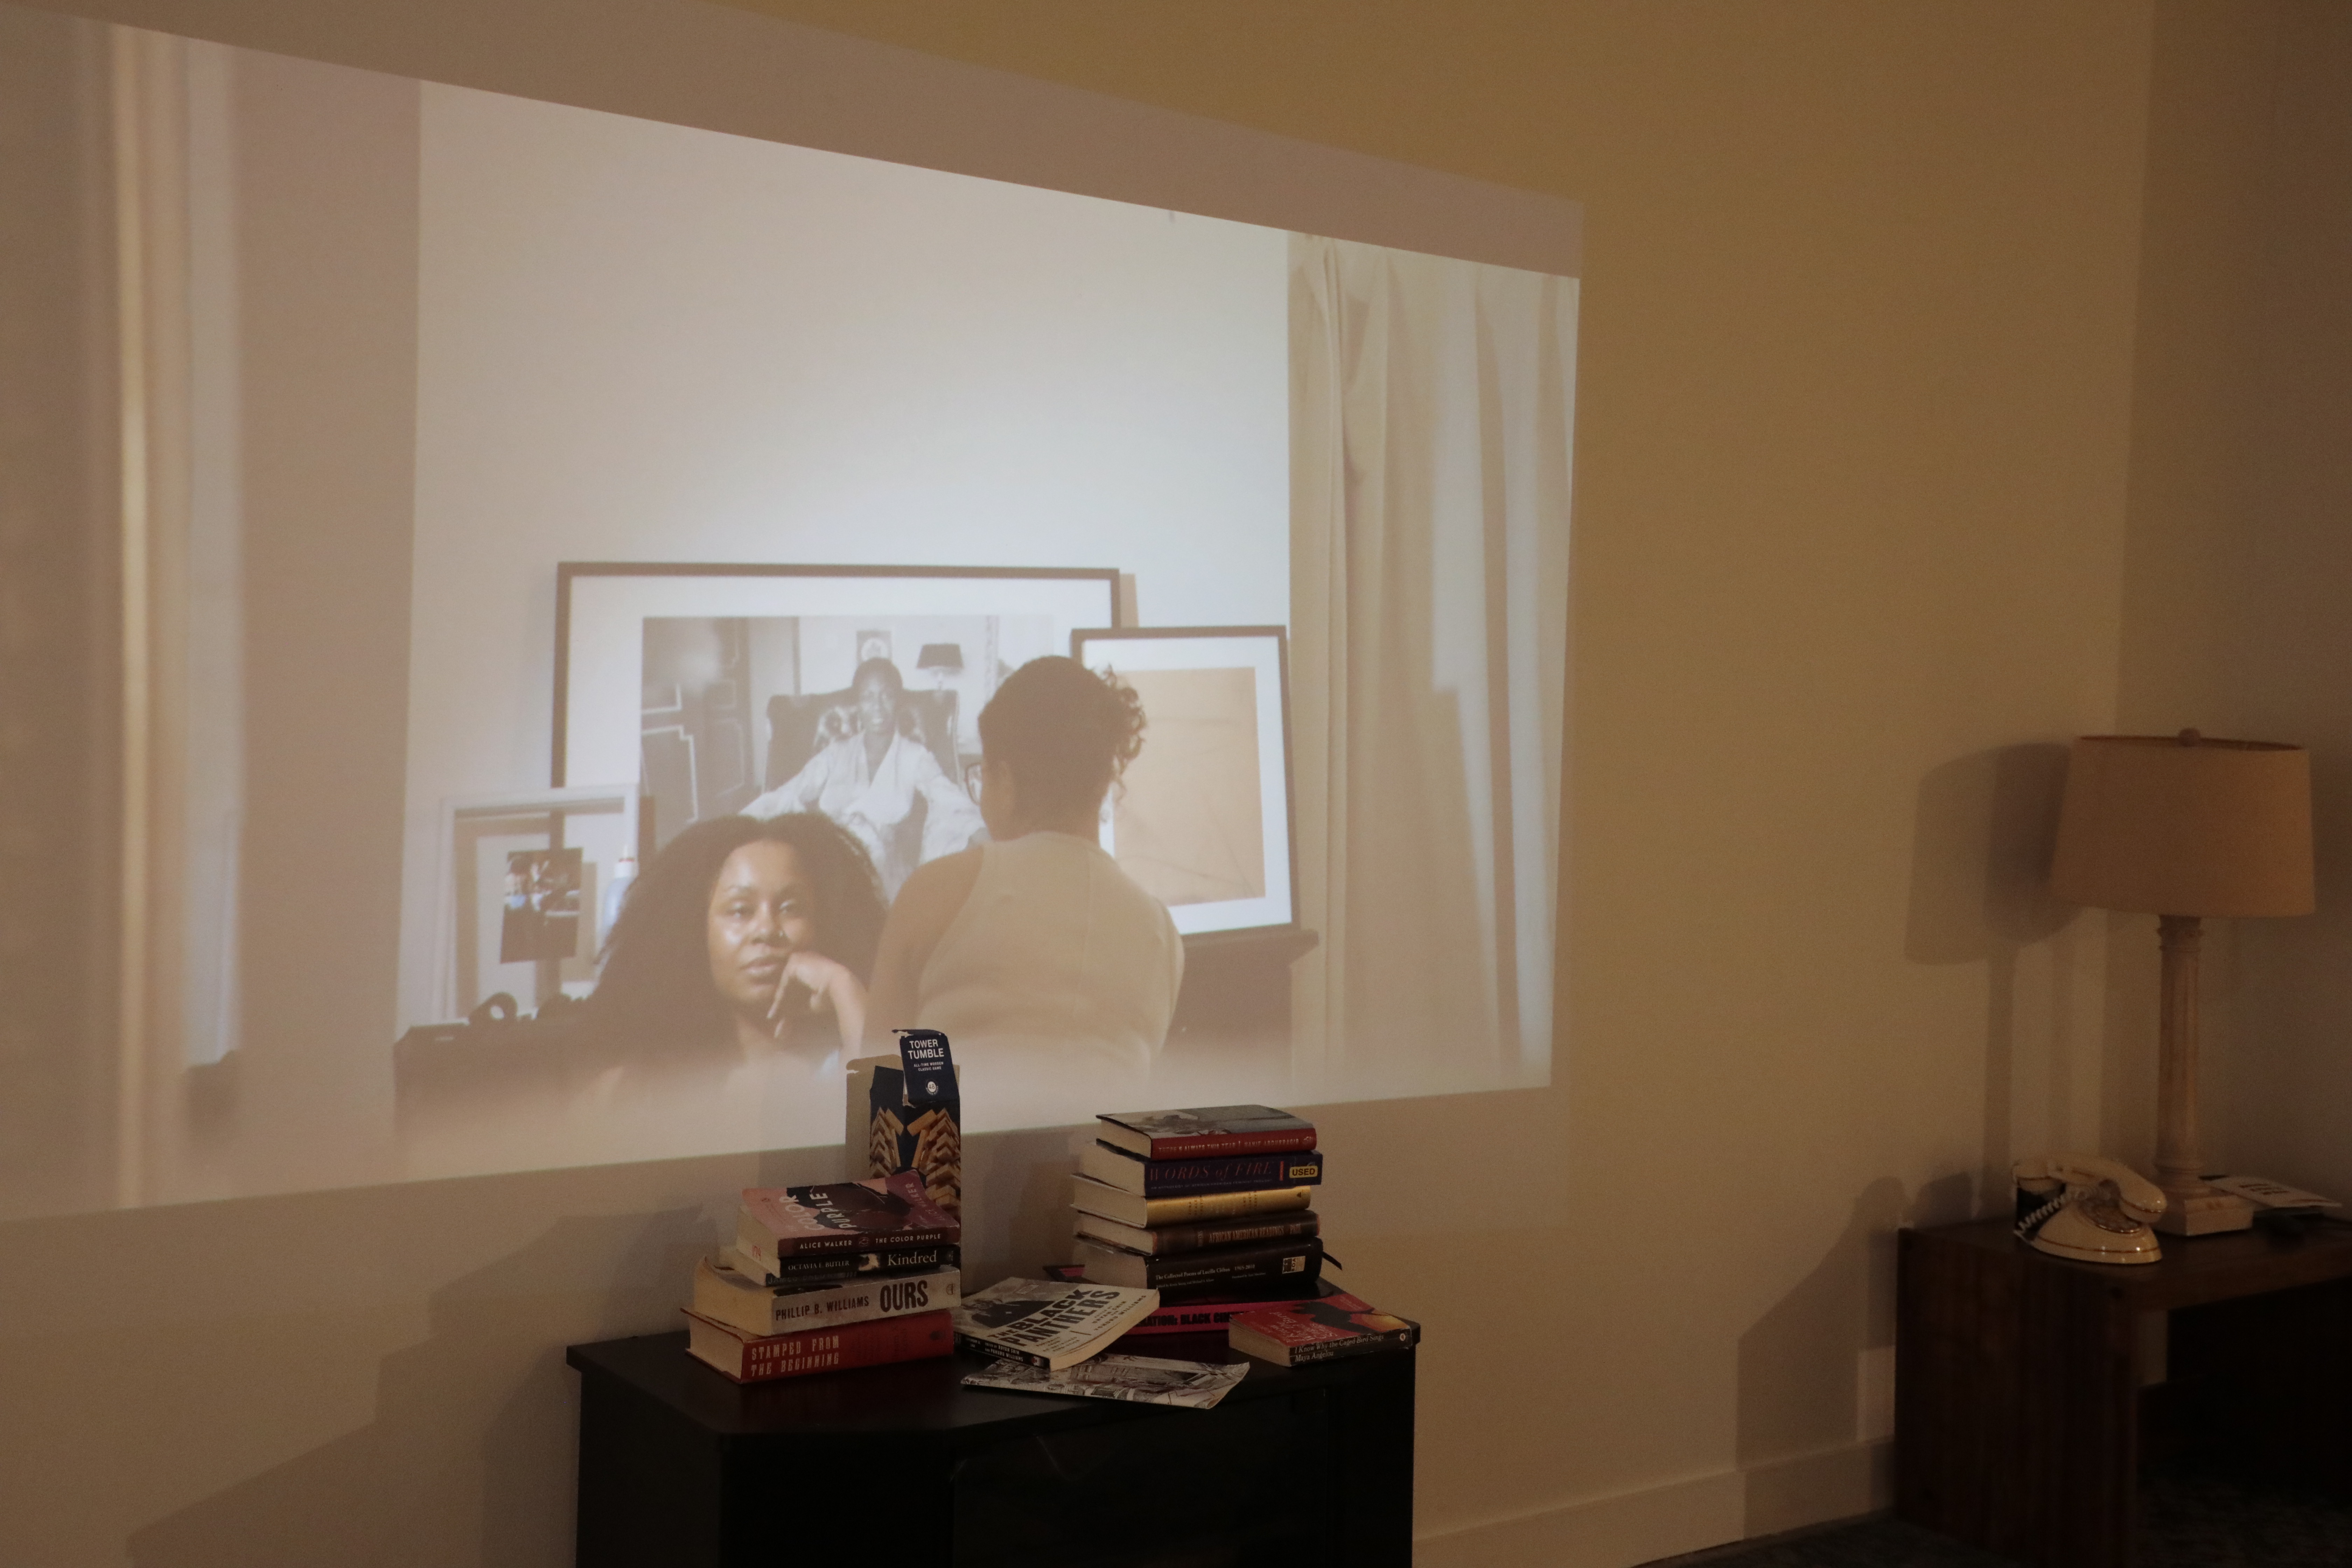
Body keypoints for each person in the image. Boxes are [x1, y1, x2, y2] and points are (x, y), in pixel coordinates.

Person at [866, 657, 1183, 1098]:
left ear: (1006, 780)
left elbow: (878, 1101)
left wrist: (843, 992)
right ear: (1100, 781)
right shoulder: (1162, 933)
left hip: (950, 1164)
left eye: (983, 777)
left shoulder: (935, 892)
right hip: (1095, 1168)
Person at [585, 812, 884, 1061]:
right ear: (694, 930)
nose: (766, 930)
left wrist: (845, 988)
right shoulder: (633, 1090)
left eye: (791, 908)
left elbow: (903, 1126)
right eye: (741, 910)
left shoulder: (847, 1065)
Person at [743, 658, 984, 901]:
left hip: (881, 875)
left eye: (886, 696)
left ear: (898, 701)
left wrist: (988, 840)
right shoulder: (836, 753)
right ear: (857, 703)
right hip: (828, 867)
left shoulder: (914, 756)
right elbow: (791, 793)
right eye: (868, 697)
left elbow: (948, 798)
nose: (878, 706)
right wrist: (740, 826)